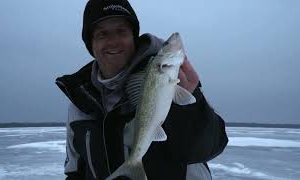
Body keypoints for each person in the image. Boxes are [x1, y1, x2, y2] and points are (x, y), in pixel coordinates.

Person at [55, 0, 228, 179]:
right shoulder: (79, 102)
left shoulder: (178, 83)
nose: (113, 41)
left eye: (121, 31)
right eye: (102, 34)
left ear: (133, 37)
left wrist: (192, 103)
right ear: (91, 44)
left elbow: (209, 147)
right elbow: (75, 171)